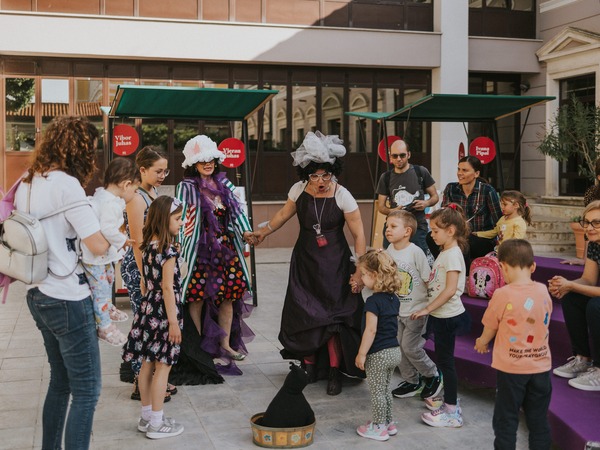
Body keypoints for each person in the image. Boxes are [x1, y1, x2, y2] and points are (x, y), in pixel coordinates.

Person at [14, 116, 110, 449]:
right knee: (88, 391)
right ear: (79, 148)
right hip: (67, 295)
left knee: (61, 383)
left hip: (38, 293)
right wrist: (118, 231)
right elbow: (97, 244)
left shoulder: (28, 180)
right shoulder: (66, 184)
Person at [254, 131, 367, 395]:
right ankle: (309, 366)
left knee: (334, 318)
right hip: (305, 261)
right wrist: (263, 231)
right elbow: (282, 215)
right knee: (305, 313)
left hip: (336, 264)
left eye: (325, 175)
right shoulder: (298, 190)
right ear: (307, 176)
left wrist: (359, 270)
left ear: (333, 172)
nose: (320, 181)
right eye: (314, 176)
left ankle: (335, 371)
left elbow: (359, 233)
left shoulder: (343, 195)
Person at [176, 135, 255, 371]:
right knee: (197, 297)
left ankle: (225, 345)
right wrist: (180, 243)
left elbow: (238, 213)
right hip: (201, 251)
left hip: (226, 250)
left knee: (228, 297)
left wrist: (247, 233)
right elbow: (181, 218)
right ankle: (198, 347)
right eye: (202, 161)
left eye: (211, 159)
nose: (208, 164)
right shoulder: (187, 187)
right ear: (194, 164)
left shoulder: (225, 185)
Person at [475, 239, 553, 450]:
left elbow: (490, 326)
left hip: (512, 369)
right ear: (533, 266)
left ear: (503, 267)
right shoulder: (542, 291)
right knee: (538, 421)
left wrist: (482, 342)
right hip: (541, 367)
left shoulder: (502, 294)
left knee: (506, 418)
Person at [122, 196, 185, 439]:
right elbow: (167, 288)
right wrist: (173, 322)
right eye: (177, 219)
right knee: (163, 367)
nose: (181, 223)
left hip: (147, 311)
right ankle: (157, 424)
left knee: (147, 364)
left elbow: (146, 283)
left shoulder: (148, 246)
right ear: (164, 220)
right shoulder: (167, 251)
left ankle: (147, 417)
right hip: (163, 313)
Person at [120, 146, 177, 400]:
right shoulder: (136, 197)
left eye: (165, 170)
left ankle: (154, 380)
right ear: (142, 170)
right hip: (142, 267)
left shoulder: (153, 192)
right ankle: (139, 382)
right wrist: (145, 277)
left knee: (156, 325)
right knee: (145, 325)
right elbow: (137, 242)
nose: (163, 175)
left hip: (154, 265)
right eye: (158, 171)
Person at [411, 204, 471, 428]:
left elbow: (450, 289)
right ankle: (449, 399)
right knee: (444, 361)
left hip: (447, 316)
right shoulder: (446, 253)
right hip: (441, 314)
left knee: (447, 363)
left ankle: (452, 411)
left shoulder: (453, 255)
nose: (432, 234)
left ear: (451, 231)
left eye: (436, 230)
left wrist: (427, 309)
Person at [384, 210, 443, 400]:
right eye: (387, 226)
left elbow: (428, 280)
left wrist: (430, 306)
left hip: (416, 311)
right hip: (397, 310)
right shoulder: (388, 251)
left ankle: (432, 374)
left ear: (407, 231)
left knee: (410, 347)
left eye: (393, 226)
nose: (388, 230)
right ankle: (412, 380)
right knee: (399, 347)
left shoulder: (415, 252)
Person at [82, 157, 138, 347]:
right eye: (135, 190)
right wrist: (123, 241)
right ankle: (104, 326)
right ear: (126, 184)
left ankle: (107, 308)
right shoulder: (111, 204)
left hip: (99, 256)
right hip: (96, 256)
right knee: (101, 288)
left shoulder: (102, 196)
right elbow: (107, 228)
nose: (135, 194)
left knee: (108, 279)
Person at [548, 200, 600, 391]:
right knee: (572, 298)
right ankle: (583, 359)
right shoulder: (595, 244)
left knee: (596, 306)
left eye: (596, 222)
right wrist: (564, 286)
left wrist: (570, 285)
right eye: (586, 222)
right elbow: (588, 280)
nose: (590, 228)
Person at [354, 250, 402, 442]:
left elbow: (371, 331)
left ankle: (379, 427)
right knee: (385, 390)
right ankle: (389, 423)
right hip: (394, 351)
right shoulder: (394, 299)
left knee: (376, 393)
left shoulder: (373, 302)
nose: (362, 278)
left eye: (364, 274)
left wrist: (361, 353)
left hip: (378, 355)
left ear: (375, 275)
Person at [430, 155, 502, 262]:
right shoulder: (451, 188)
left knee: (466, 242)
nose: (460, 173)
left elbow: (499, 220)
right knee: (430, 238)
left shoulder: (487, 190)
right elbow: (444, 217)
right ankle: (443, 264)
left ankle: (464, 273)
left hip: (481, 238)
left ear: (476, 173)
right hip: (456, 235)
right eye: (459, 169)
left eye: (465, 170)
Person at [376, 139, 439, 255]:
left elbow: (435, 197)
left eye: (402, 155)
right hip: (394, 226)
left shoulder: (420, 171)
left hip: (417, 226)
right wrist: (392, 211)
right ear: (390, 157)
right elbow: (380, 206)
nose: (399, 159)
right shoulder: (386, 177)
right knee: (390, 262)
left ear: (409, 154)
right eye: (395, 156)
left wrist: (426, 203)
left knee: (419, 261)